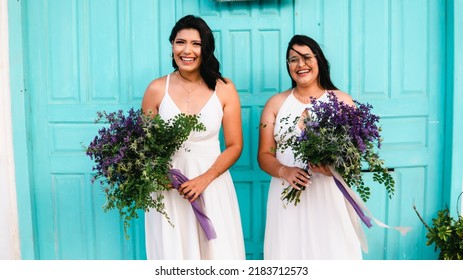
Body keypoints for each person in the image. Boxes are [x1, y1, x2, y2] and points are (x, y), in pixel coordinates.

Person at [141, 15, 245, 260]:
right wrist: (160, 175)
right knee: (174, 254)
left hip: (212, 181)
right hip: (169, 188)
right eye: (180, 42)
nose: (187, 50)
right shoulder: (156, 89)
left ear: (205, 48)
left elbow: (234, 145)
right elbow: (144, 147)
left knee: (219, 256)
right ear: (172, 46)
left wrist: (204, 179)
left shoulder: (224, 88)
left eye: (196, 44)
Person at [257, 35, 364, 259]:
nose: (300, 64)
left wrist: (333, 167)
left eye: (306, 57)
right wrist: (284, 171)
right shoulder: (276, 104)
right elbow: (264, 155)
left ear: (319, 60)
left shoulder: (342, 101)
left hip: (328, 194)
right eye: (293, 60)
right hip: (287, 193)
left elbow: (354, 157)